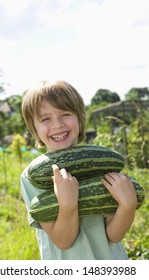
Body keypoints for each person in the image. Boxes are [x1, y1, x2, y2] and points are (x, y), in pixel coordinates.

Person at [21, 80, 137, 260]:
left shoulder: (100, 162)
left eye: (65, 114)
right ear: (34, 128)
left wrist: (127, 206)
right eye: (45, 119)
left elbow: (113, 235)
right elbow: (63, 241)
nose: (57, 124)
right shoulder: (33, 176)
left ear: (80, 118)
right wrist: (67, 205)